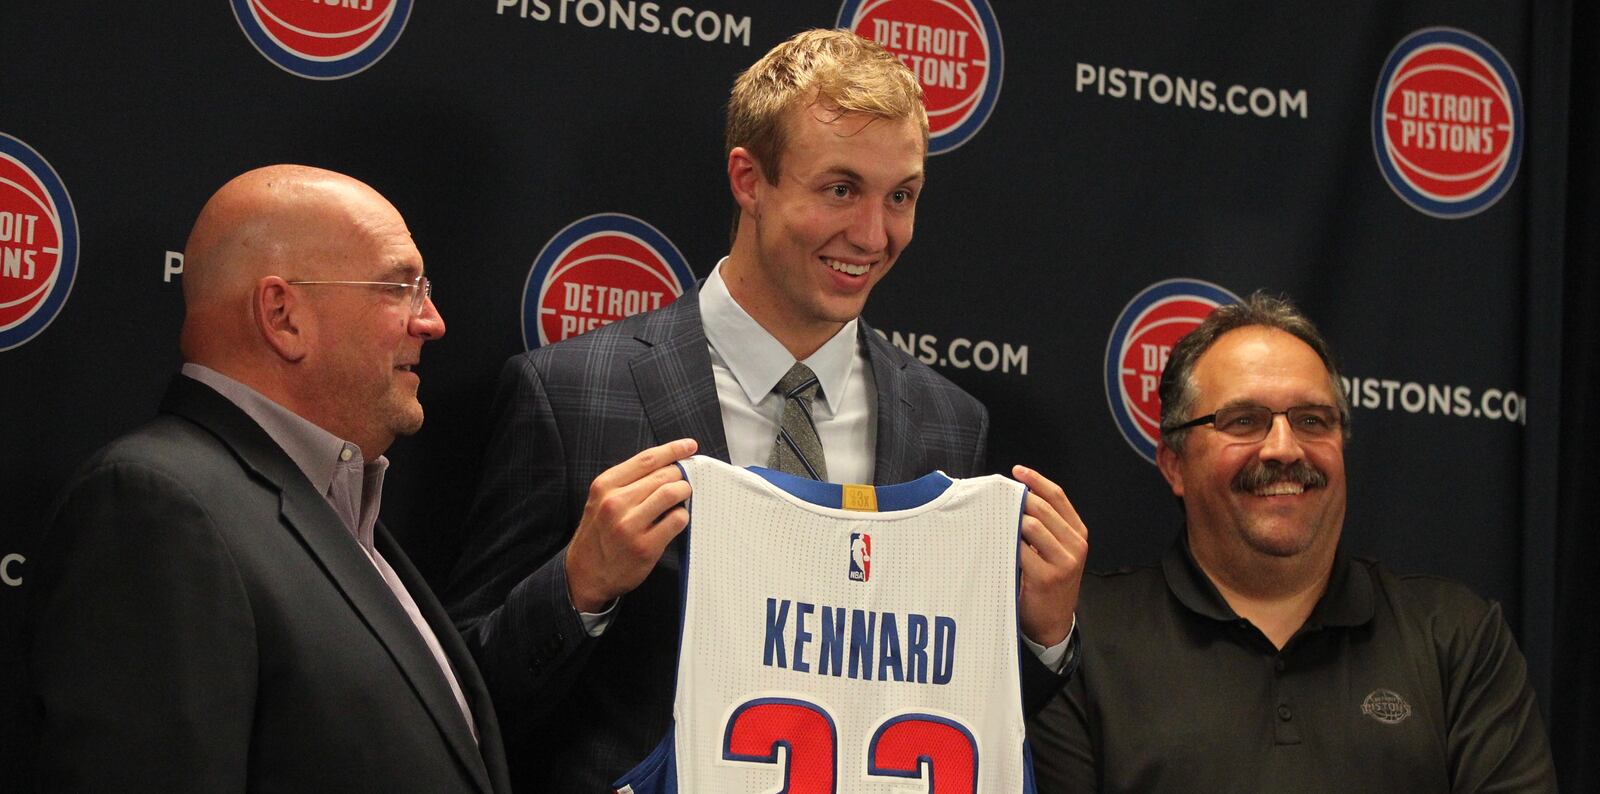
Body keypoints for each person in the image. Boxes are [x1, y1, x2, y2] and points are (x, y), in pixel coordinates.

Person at [445, 28, 1088, 791]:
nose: (874, 235)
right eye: (841, 189)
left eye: (902, 197)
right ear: (749, 180)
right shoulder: (573, 394)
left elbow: (955, 712)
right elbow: (459, 699)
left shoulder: (948, 422)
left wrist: (1043, 635)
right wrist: (579, 585)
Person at [23, 165, 511, 792]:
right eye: (399, 288)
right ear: (283, 315)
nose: (432, 321)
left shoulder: (330, 506)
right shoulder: (155, 510)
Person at [1027, 292, 1557, 792]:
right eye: (1244, 421)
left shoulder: (1456, 637)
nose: (1284, 448)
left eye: (1311, 420)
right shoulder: (1078, 641)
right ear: (1175, 465)